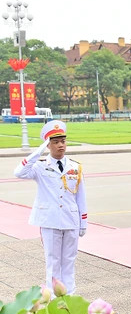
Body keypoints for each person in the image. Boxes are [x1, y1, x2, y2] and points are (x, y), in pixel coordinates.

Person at [13, 121, 87, 294]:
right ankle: (54, 300)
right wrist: (39, 151)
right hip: (50, 221)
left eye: (63, 141)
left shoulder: (75, 167)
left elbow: (81, 197)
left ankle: (69, 297)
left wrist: (83, 223)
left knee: (69, 262)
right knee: (53, 263)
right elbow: (19, 172)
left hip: (71, 219)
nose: (61, 145)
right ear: (48, 145)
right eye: (55, 142)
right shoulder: (39, 166)